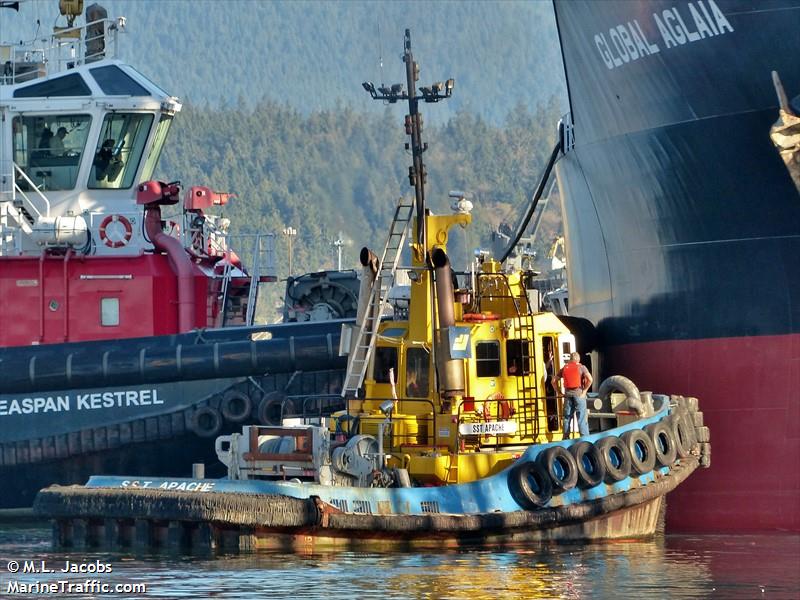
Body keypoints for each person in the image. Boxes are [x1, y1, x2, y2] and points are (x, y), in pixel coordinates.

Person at [556, 351, 593, 438]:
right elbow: (590, 379)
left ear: (570, 359)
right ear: (578, 359)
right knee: (581, 417)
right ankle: (585, 438)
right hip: (579, 395)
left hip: (568, 395)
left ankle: (565, 438)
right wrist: (584, 391)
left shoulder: (564, 368)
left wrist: (559, 392)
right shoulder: (582, 367)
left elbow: (553, 381)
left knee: (567, 417)